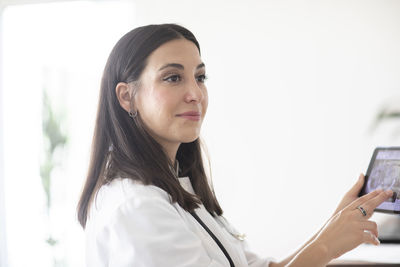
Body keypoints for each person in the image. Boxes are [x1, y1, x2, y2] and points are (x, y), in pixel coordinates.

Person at [77, 24, 393, 267]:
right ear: (126, 96)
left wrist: (332, 227)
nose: (195, 94)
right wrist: (326, 246)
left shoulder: (178, 191)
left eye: (200, 77)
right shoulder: (136, 206)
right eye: (173, 78)